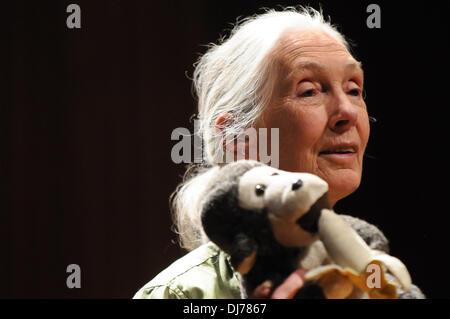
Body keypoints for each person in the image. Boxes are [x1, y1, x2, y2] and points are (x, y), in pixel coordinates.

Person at [133, 6, 425, 299]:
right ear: (237, 137)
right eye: (309, 91)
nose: (347, 112)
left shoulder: (373, 274)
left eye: (353, 90)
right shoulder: (181, 294)